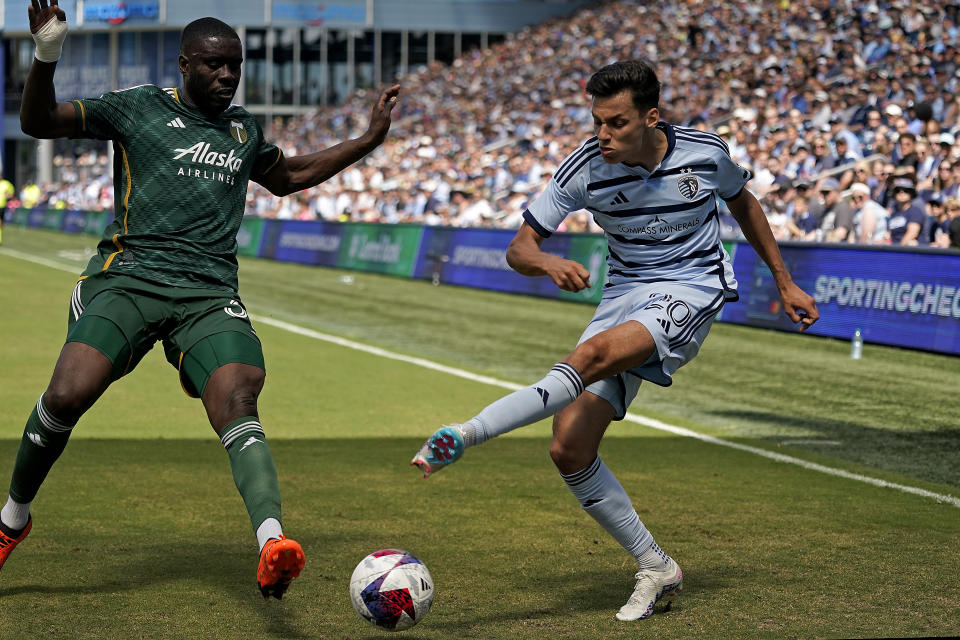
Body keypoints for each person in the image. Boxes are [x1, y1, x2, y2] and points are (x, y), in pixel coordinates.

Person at [0, 1, 400, 601]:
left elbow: (289, 175)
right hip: (129, 277)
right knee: (67, 395)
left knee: (240, 395)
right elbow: (39, 122)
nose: (227, 75)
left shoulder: (243, 131)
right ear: (184, 64)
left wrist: (368, 139)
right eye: (214, 64)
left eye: (235, 66)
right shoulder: (136, 107)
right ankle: (11, 522)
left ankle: (272, 542)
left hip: (208, 292)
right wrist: (47, 52)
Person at [410, 60, 819, 622]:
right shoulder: (584, 167)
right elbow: (518, 248)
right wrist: (547, 262)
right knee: (569, 447)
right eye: (597, 120)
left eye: (616, 122)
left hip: (691, 286)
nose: (602, 134)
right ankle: (657, 566)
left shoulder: (705, 153)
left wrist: (784, 280)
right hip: (623, 294)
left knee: (590, 356)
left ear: (652, 118)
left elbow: (744, 202)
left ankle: (466, 432)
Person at [886, 177, 926, 245]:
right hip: (893, 248)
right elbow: (888, 234)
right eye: (898, 190)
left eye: (906, 190)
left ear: (911, 193)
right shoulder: (893, 213)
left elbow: (912, 233)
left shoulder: (915, 211)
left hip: (908, 251)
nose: (901, 192)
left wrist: (898, 250)